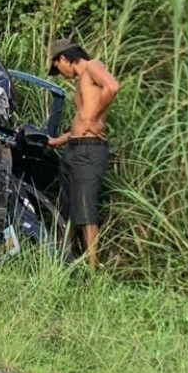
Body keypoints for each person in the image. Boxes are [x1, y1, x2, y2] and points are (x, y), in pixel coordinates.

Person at [46, 38, 119, 266]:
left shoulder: (92, 66)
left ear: (65, 58)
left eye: (58, 67)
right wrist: (57, 141)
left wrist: (93, 116)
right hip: (75, 149)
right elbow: (80, 121)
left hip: (89, 151)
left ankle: (92, 269)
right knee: (68, 209)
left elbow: (113, 86)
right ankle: (64, 262)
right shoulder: (82, 79)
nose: (61, 73)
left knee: (86, 211)